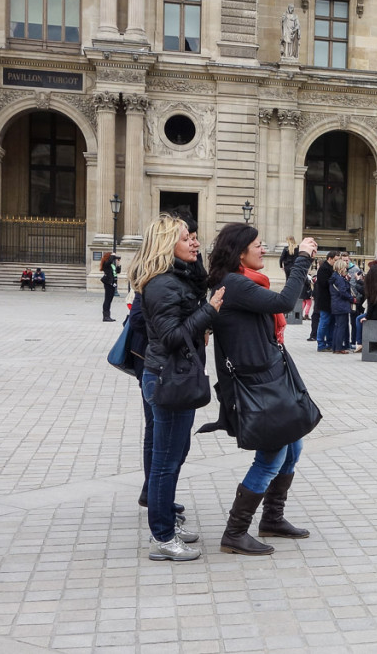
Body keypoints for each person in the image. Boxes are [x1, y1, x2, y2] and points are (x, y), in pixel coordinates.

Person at [201, 224, 318, 556]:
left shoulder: (242, 282)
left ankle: (272, 519)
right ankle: (235, 532)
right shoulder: (235, 284)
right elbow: (284, 300)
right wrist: (303, 261)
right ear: (240, 252)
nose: (262, 247)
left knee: (292, 447)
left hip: (268, 377)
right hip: (256, 384)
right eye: (256, 244)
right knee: (271, 458)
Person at [134, 214, 223, 561]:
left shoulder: (177, 278)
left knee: (173, 456)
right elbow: (172, 336)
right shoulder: (160, 284)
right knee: (164, 464)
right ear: (167, 244)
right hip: (167, 378)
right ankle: (163, 538)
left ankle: (167, 520)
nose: (195, 243)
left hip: (175, 375)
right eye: (187, 239)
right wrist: (209, 311)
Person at [313, 251, 338, 352]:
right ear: (330, 258)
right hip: (325, 300)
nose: (336, 262)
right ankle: (321, 343)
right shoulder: (324, 269)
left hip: (331, 300)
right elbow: (324, 284)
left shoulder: (332, 269)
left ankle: (330, 342)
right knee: (324, 321)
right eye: (335, 260)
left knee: (331, 322)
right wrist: (333, 280)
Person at [329, 262, 354, 354]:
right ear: (341, 268)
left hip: (335, 304)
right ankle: (339, 348)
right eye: (345, 268)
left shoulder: (334, 277)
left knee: (337, 326)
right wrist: (352, 299)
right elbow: (343, 292)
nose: (346, 269)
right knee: (341, 327)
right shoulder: (339, 279)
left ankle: (335, 346)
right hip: (341, 305)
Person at [100, 251, 120, 321]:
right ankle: (106, 316)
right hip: (108, 283)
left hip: (112, 283)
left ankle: (108, 316)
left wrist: (118, 264)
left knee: (110, 300)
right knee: (107, 300)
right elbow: (109, 261)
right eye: (112, 256)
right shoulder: (106, 263)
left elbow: (117, 271)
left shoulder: (111, 265)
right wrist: (113, 255)